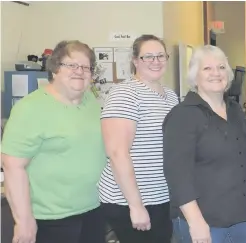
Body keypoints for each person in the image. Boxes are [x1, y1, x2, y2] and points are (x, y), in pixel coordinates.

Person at [2, 40, 107, 243]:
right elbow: (12, 167)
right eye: (72, 65)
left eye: (86, 67)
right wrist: (23, 221)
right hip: (50, 218)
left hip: (93, 209)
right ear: (56, 69)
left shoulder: (91, 103)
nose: (80, 71)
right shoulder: (30, 108)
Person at [163, 45, 246, 243]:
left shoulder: (235, 111)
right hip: (205, 223)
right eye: (207, 69)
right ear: (195, 77)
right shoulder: (182, 116)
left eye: (221, 67)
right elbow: (177, 175)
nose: (216, 73)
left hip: (242, 220)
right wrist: (196, 222)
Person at [98, 34, 179, 243]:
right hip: (129, 201)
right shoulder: (124, 94)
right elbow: (117, 153)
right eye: (148, 57)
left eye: (161, 55)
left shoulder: (170, 96)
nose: (156, 61)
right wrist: (136, 205)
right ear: (135, 61)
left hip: (160, 197)